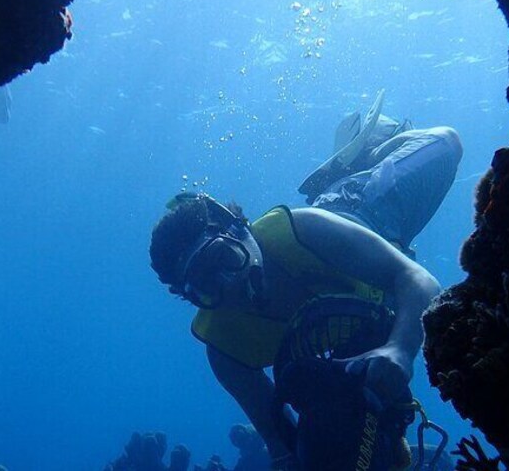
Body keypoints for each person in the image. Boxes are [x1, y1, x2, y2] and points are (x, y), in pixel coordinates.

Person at [149, 103, 462, 470]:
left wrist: (401, 349)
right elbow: (281, 445)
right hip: (367, 308)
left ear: (239, 228)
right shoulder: (226, 351)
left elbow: (419, 280)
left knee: (445, 144)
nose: (230, 286)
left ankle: (361, 160)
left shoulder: (303, 230)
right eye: (206, 287)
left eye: (225, 258)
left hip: (365, 215)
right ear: (193, 301)